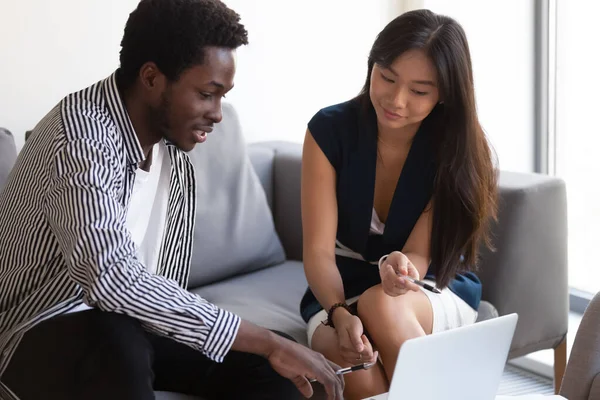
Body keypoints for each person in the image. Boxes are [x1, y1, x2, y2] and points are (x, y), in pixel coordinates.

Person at [0, 1, 344, 399]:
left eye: (222, 97)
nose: (217, 114)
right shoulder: (81, 138)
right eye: (206, 94)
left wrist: (269, 344)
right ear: (151, 78)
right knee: (117, 342)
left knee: (283, 369)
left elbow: (156, 293)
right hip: (36, 332)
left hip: (131, 326)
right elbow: (111, 279)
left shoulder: (174, 150)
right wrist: (263, 339)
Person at [299, 9, 498, 400]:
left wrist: (400, 270)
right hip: (340, 289)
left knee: (383, 305)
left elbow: (419, 254)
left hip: (428, 285)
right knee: (355, 372)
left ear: (445, 93)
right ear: (372, 64)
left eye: (420, 91)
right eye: (386, 77)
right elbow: (319, 252)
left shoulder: (455, 149)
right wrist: (339, 313)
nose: (396, 100)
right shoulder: (328, 131)